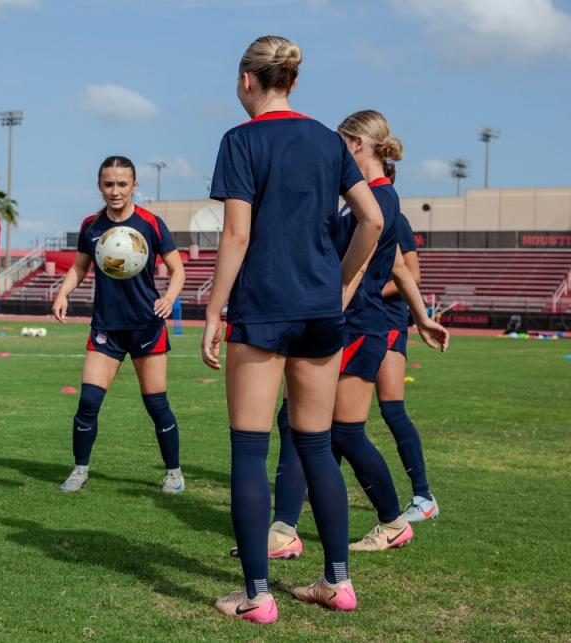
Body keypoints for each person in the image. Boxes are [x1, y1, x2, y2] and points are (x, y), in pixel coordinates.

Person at [202, 36, 385, 623]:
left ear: (247, 81)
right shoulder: (329, 140)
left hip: (262, 308)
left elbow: (235, 235)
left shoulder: (240, 139)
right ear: (294, 83)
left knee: (251, 450)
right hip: (319, 311)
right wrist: (342, 281)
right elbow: (373, 219)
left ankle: (257, 596)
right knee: (315, 446)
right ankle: (338, 582)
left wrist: (213, 308)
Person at [267, 111, 449, 561]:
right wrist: (422, 318)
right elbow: (401, 270)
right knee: (299, 422)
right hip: (349, 324)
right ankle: (284, 528)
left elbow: (368, 268)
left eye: (337, 143)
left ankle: (390, 521)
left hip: (357, 327)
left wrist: (326, 317)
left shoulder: (381, 202)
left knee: (341, 431)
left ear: (354, 145)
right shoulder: (360, 199)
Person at [53, 156, 187, 494]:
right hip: (107, 329)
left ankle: (174, 472)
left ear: (134, 186)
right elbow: (78, 268)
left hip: (147, 326)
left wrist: (169, 298)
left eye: (122, 184)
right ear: (100, 186)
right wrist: (63, 293)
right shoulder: (91, 226)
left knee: (156, 404)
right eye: (109, 184)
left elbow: (178, 269)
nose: (115, 191)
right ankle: (80, 470)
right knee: (88, 402)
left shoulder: (150, 224)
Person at [378, 213, 439, 521]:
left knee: (392, 409)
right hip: (359, 322)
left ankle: (424, 496)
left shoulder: (392, 217)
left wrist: (370, 290)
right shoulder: (352, 212)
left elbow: (411, 275)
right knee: (338, 414)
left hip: (385, 322)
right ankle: (321, 482)